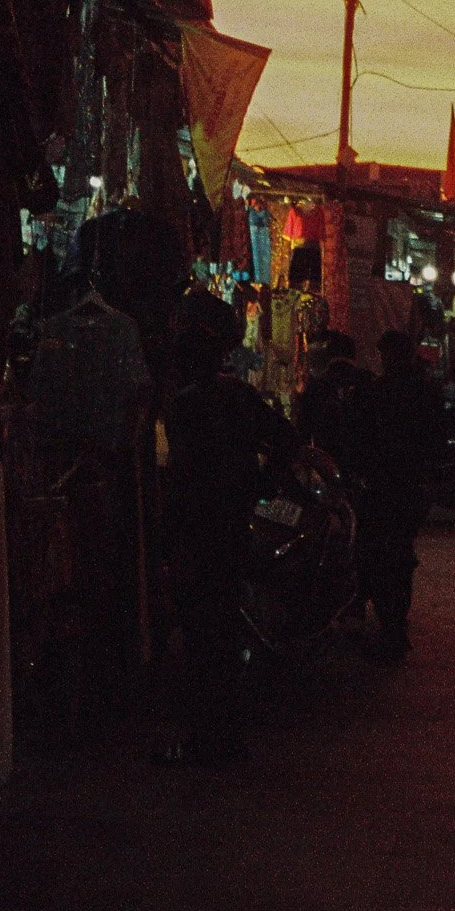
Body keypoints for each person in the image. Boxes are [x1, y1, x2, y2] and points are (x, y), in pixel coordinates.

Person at [162, 289, 296, 761]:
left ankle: (209, 737)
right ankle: (223, 735)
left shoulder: (183, 405)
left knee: (205, 634)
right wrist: (260, 484)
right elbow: (287, 440)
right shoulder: (236, 398)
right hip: (230, 525)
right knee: (220, 628)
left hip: (198, 530)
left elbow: (176, 473)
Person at [354, 331, 449, 660]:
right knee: (401, 554)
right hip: (412, 485)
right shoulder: (427, 391)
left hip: (385, 485)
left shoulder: (377, 392)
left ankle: (392, 629)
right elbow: (440, 439)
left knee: (383, 555)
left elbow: (361, 439)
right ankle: (395, 627)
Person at [296, 329, 372, 476]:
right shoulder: (368, 381)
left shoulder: (317, 384)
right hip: (362, 462)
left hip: (327, 462)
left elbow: (304, 428)